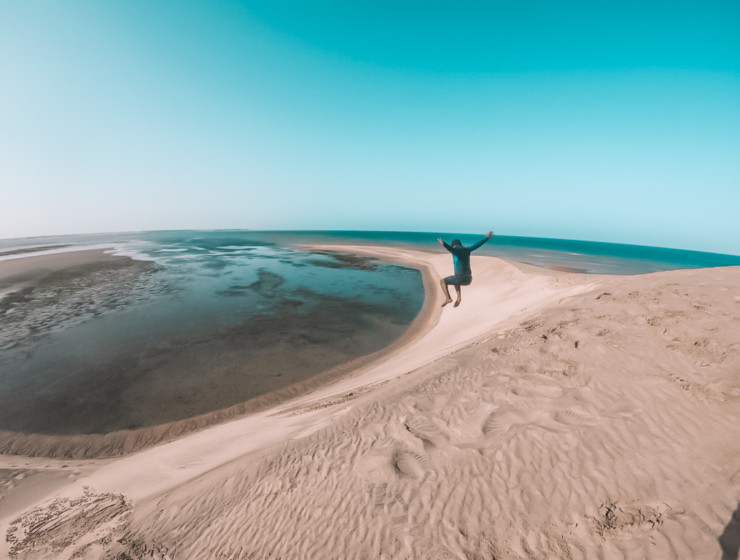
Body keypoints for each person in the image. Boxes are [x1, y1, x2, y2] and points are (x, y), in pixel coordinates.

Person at [437, 231, 494, 307]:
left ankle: (448, 298)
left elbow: (450, 249)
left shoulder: (456, 251)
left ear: (454, 246)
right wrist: (487, 238)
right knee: (455, 279)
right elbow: (477, 245)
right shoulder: (467, 250)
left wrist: (443, 244)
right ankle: (459, 297)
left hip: (460, 278)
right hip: (468, 279)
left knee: (442, 281)